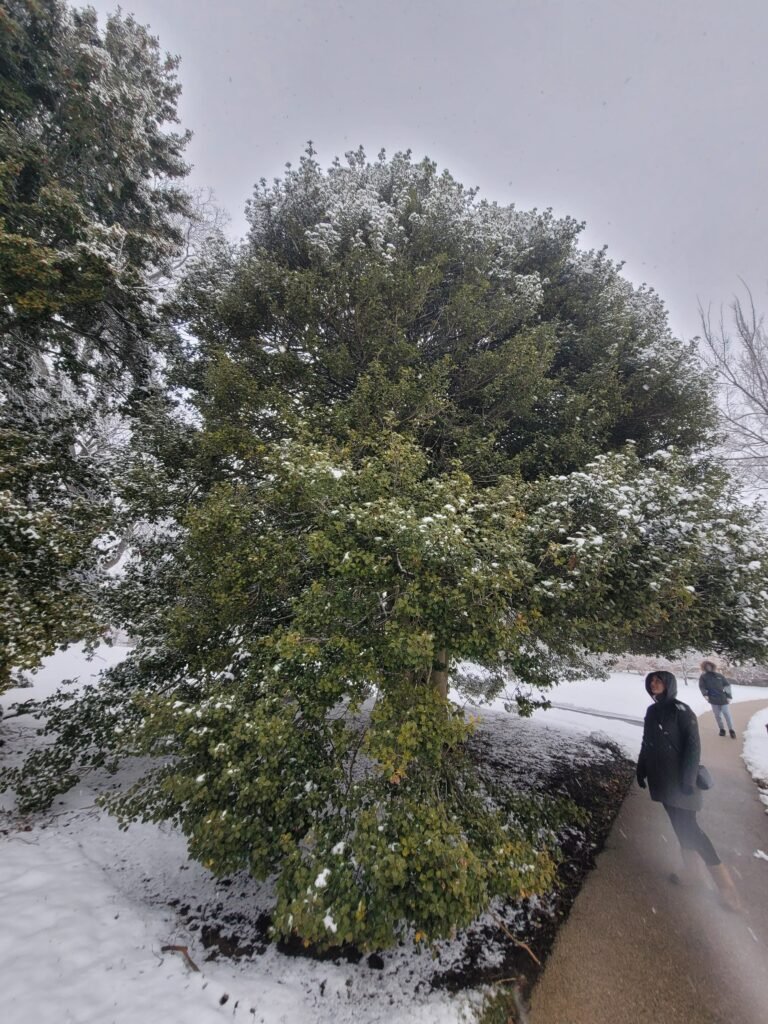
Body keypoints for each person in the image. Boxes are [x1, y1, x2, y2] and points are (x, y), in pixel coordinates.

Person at [636, 670, 740, 910]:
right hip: (662, 780)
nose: (654, 684)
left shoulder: (682, 711)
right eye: (651, 681)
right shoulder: (652, 711)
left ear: (669, 684)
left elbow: (693, 748)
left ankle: (726, 886)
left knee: (691, 829)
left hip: (682, 782)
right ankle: (692, 872)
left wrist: (688, 779)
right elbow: (647, 742)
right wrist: (641, 769)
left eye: (659, 680)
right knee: (678, 825)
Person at [698, 659, 736, 738]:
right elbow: (702, 687)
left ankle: (731, 730)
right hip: (713, 699)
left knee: (726, 713)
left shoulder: (719, 675)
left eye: (709, 666)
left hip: (723, 698)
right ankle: (722, 729)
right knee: (717, 715)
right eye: (706, 666)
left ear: (712, 666)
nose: (708, 667)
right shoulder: (703, 677)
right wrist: (705, 695)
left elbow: (727, 685)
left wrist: (729, 696)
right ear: (704, 667)